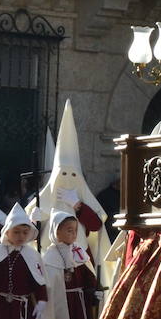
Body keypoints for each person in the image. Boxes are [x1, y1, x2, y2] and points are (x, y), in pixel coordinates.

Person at [32, 101, 107, 271]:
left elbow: (96, 225)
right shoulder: (46, 197)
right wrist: (33, 219)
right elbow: (27, 233)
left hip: (79, 256)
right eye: (63, 174)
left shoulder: (82, 197)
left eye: (73, 175)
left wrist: (78, 207)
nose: (67, 179)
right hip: (49, 256)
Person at [39, 211, 97, 319]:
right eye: (68, 230)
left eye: (75, 230)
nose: (73, 234)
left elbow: (89, 276)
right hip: (59, 304)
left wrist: (93, 290)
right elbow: (47, 283)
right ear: (56, 232)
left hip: (78, 304)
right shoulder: (49, 257)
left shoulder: (80, 253)